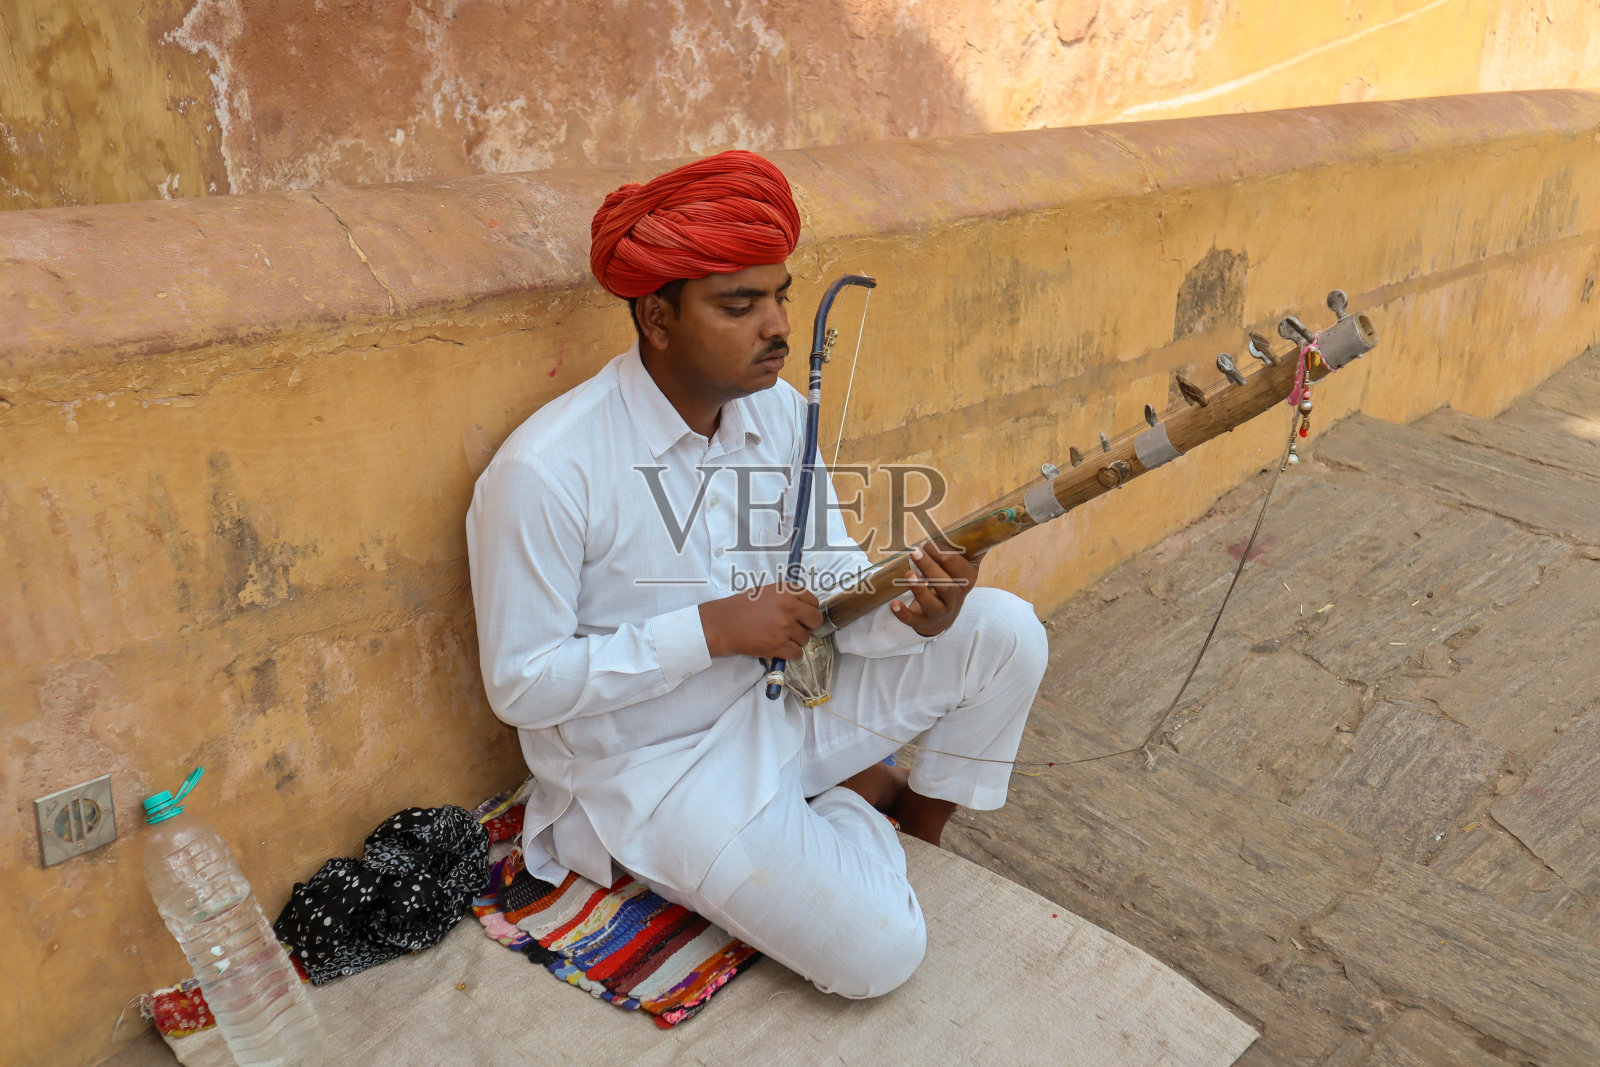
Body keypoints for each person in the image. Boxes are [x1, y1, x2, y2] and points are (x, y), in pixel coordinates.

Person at [466, 150, 1047, 999]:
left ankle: (909, 830)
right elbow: (522, 686)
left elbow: (830, 574)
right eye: (740, 304)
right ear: (658, 322)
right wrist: (708, 629)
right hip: (658, 772)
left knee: (1005, 633)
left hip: (782, 702)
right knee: (881, 957)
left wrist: (914, 612)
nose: (777, 325)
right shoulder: (548, 470)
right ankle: (854, 803)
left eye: (780, 294)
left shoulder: (775, 409)